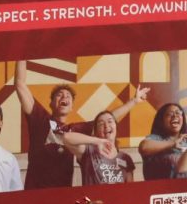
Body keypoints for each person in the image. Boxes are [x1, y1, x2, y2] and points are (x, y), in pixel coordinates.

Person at [13, 61, 144, 190]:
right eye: (59, 95)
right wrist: (23, 53)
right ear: (51, 103)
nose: (64, 96)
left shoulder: (76, 130)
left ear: (71, 107)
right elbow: (20, 84)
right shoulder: (39, 118)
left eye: (68, 96)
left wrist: (133, 101)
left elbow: (108, 118)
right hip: (35, 192)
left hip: (61, 196)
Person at [63, 110, 137, 186]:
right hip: (95, 198)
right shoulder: (88, 151)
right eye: (101, 123)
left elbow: (130, 189)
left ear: (116, 126)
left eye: (110, 121)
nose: (106, 125)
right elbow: (66, 137)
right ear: (96, 131)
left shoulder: (125, 158)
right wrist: (98, 141)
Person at [140, 102, 187, 180]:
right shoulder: (156, 138)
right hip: (161, 189)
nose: (175, 116)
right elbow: (143, 147)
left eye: (178, 113)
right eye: (169, 114)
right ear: (161, 120)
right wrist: (173, 143)